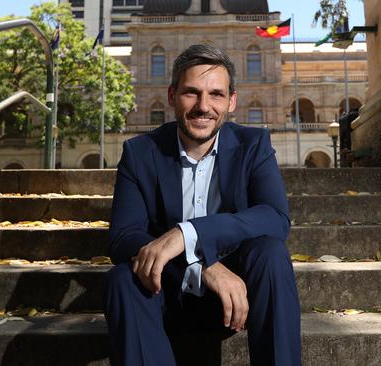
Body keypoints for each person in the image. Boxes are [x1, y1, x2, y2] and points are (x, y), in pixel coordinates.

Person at [103, 44, 301, 366]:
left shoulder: (254, 145)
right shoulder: (140, 152)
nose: (203, 106)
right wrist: (201, 266)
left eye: (216, 95)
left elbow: (275, 217)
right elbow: (123, 237)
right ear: (171, 96)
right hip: (162, 295)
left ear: (232, 101)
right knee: (121, 279)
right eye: (191, 93)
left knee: (271, 253)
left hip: (234, 303)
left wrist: (188, 234)